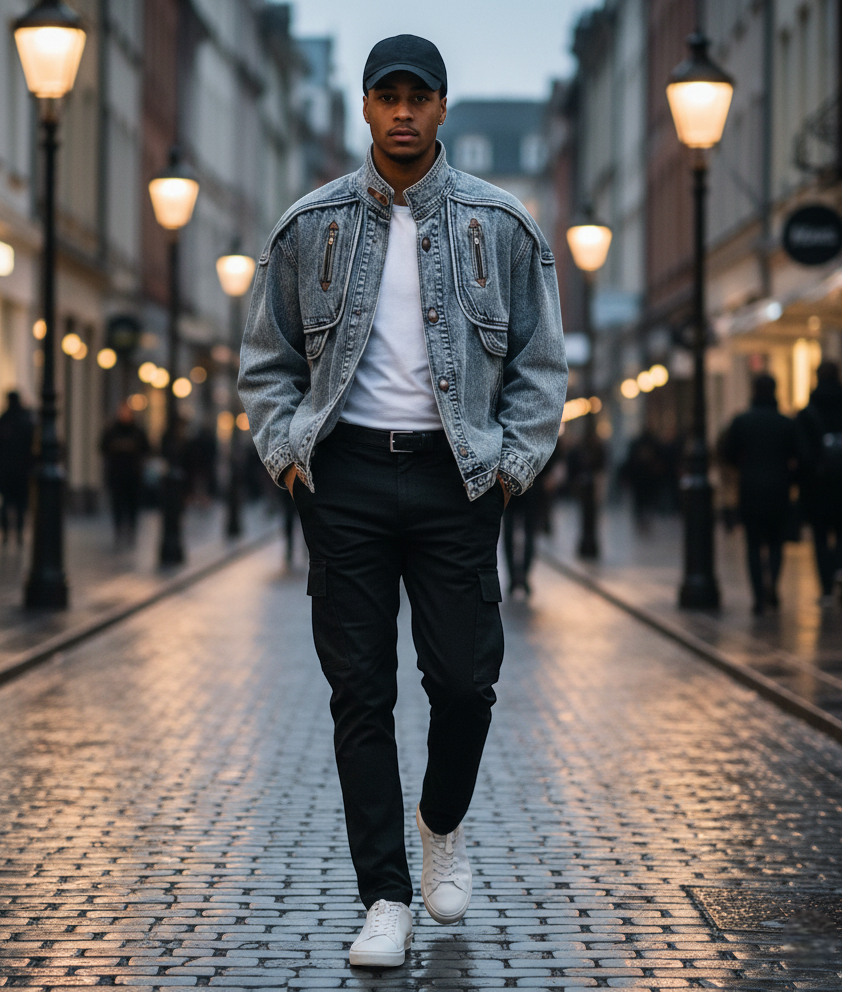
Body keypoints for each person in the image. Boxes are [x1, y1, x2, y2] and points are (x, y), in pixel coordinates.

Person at [238, 35, 567, 968]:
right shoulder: (311, 226)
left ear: (443, 106)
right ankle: (384, 895)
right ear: (367, 108)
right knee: (360, 693)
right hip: (341, 478)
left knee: (465, 682)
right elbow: (266, 364)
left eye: (419, 95)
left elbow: (541, 367)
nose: (404, 111)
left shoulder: (500, 224)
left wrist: (511, 466)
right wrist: (290, 458)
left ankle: (441, 820)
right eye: (388, 96)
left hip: (455, 477)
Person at [723, 374, 797, 614]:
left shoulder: (742, 422)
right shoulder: (785, 423)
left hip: (751, 490)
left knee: (754, 545)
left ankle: (758, 596)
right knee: (776, 543)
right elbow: (799, 455)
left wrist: (745, 468)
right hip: (778, 489)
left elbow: (728, 453)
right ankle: (772, 585)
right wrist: (789, 477)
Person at [795, 361, 842, 604]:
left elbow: (802, 454)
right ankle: (841, 570)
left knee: (821, 535)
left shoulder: (808, 413)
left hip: (819, 483)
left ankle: (826, 588)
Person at [503, 446, 559, 595]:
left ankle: (516, 578)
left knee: (512, 534)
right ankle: (521, 578)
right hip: (531, 485)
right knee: (527, 534)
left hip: (513, 482)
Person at [0, 391, 35, 546]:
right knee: (21, 504)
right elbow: (33, 447)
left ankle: (5, 534)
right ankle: (19, 533)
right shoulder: (26, 421)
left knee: (5, 503)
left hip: (4, 470)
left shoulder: (1, 421)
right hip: (22, 470)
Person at [99, 402, 150, 547]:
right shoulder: (111, 430)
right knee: (117, 503)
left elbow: (147, 449)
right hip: (116, 474)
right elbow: (103, 447)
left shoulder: (138, 431)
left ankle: (132, 529)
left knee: (133, 503)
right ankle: (119, 529)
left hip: (134, 475)